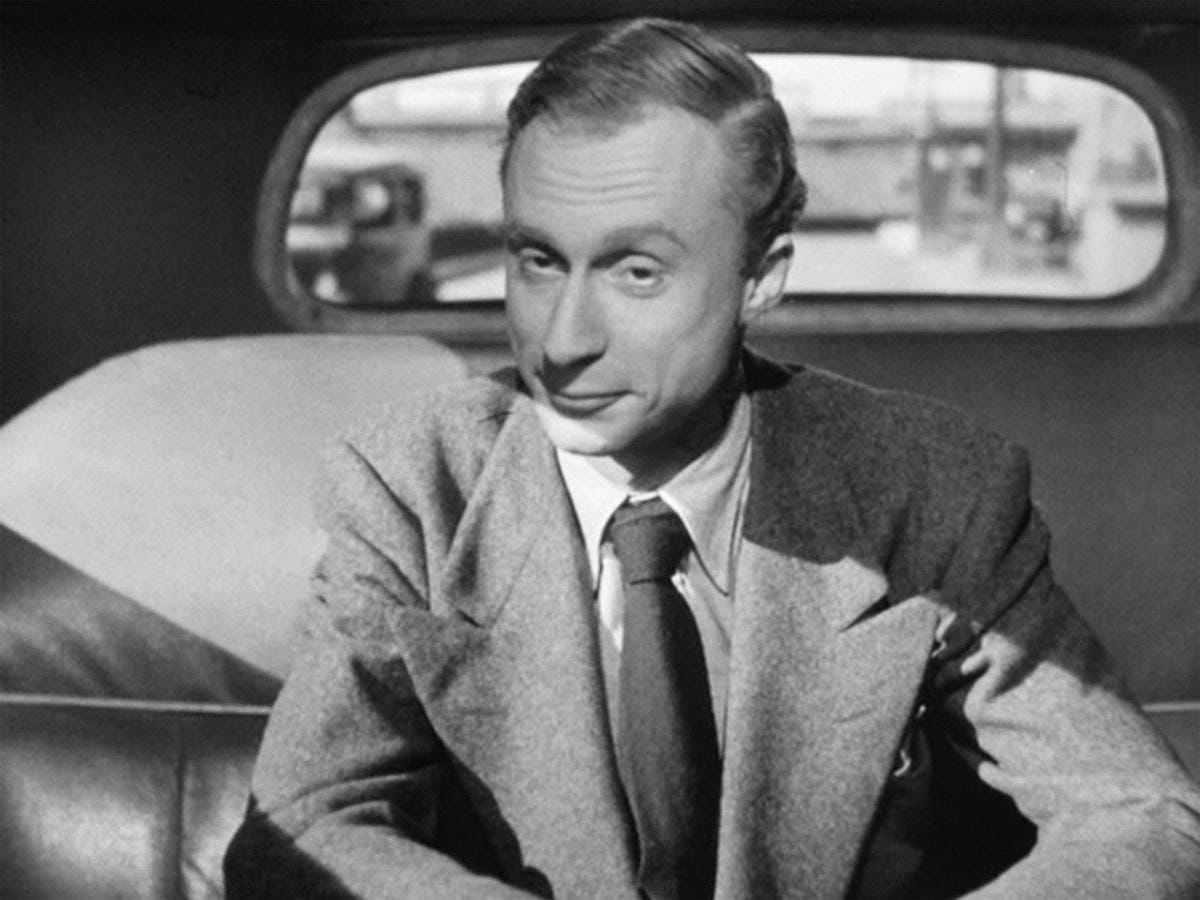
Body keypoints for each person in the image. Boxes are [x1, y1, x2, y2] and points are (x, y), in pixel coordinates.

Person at [225, 18, 1200, 899]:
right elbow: (303, 828)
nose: (562, 341)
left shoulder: (931, 489)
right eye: (538, 260)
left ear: (760, 278)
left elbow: (1141, 817)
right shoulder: (409, 487)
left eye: (636, 271)